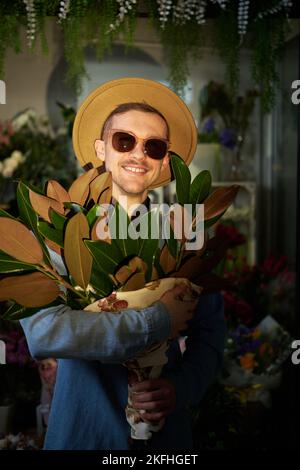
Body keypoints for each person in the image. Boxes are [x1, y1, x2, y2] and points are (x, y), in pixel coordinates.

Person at [20, 78, 226, 450]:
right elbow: (43, 333)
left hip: (165, 441)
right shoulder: (58, 231)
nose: (138, 154)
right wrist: (156, 321)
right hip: (84, 432)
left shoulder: (183, 232)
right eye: (124, 140)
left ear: (165, 159)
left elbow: (210, 336)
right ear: (102, 148)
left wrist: (179, 388)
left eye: (154, 146)